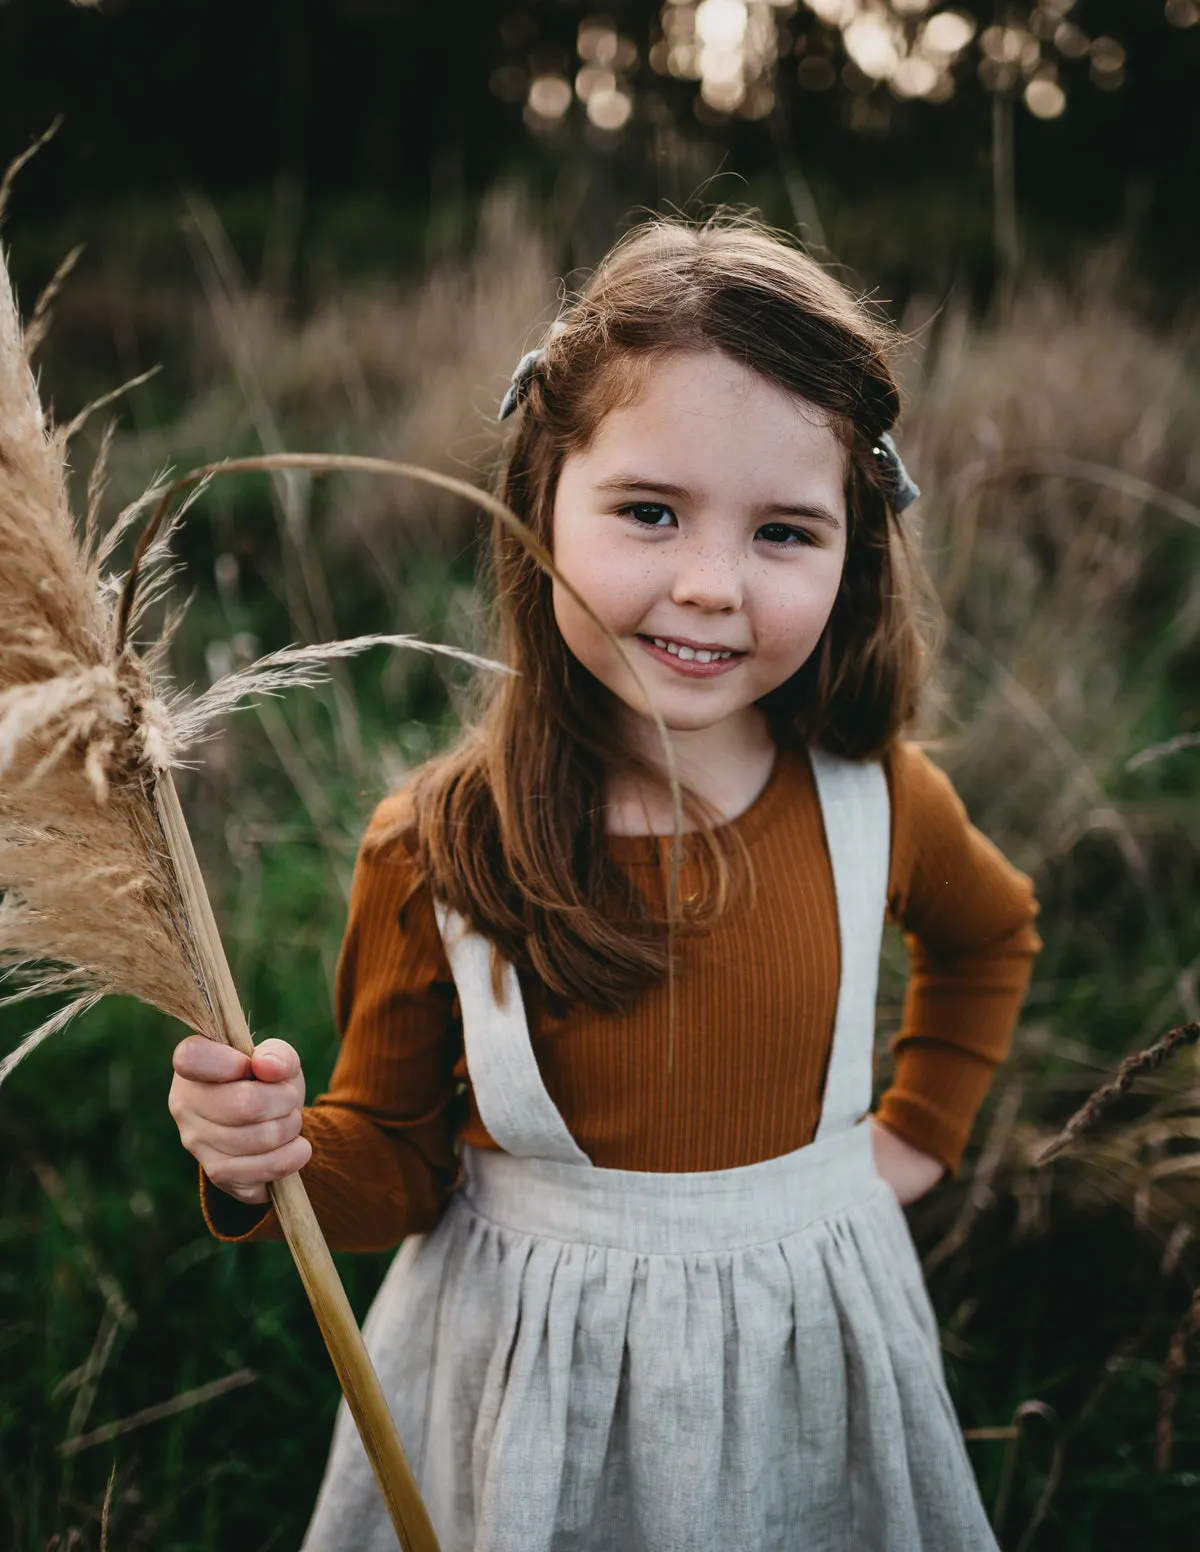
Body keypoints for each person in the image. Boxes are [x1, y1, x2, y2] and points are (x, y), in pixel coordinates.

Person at [168, 215, 1041, 1552]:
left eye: (786, 534)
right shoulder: (441, 844)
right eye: (649, 512)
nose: (709, 587)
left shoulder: (876, 800)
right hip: (532, 1393)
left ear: (853, 550)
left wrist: (917, 1131)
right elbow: (393, 1166)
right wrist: (267, 1159)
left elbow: (992, 933)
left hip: (808, 1359)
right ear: (539, 500)